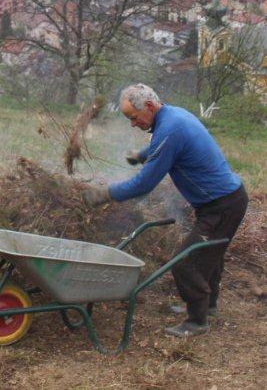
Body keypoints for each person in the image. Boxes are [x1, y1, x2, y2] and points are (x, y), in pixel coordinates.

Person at [83, 84, 248, 338]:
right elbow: (162, 144)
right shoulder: (172, 116)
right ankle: (208, 306)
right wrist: (141, 155)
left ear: (149, 106)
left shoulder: (170, 129)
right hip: (223, 200)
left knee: (186, 263)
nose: (133, 124)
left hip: (222, 205)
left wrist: (105, 194)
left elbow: (144, 184)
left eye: (133, 117)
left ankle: (196, 321)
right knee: (209, 255)